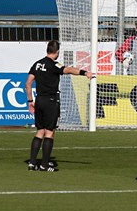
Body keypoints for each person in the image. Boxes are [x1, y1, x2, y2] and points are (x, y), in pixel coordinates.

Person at [25, 40, 95, 172]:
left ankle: (32, 163)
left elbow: (28, 83)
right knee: (50, 132)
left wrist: (30, 101)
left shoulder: (37, 64)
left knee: (40, 131)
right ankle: (44, 165)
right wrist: (85, 73)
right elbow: (68, 70)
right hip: (51, 101)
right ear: (57, 52)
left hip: (39, 100)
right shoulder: (54, 64)